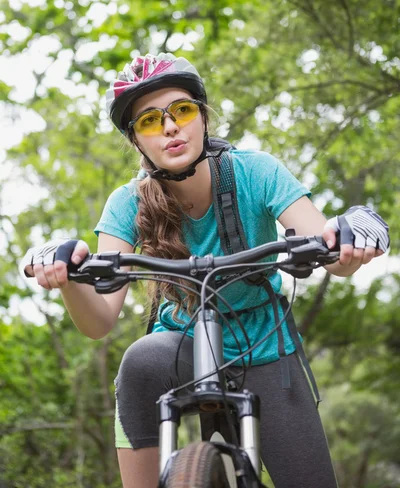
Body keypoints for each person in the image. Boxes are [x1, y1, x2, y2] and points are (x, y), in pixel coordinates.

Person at [23, 53, 389, 488]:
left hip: (267, 346)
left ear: (202, 117)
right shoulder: (128, 203)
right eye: (149, 121)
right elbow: (99, 320)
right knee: (139, 360)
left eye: (181, 111)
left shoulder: (256, 172)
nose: (170, 127)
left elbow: (328, 245)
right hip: (181, 344)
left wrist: (353, 231)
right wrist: (66, 276)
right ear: (137, 141)